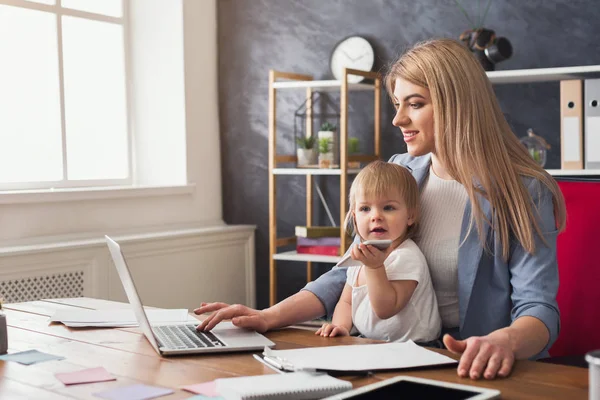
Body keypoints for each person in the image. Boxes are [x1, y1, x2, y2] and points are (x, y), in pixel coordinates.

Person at [195, 38, 566, 380]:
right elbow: (350, 269)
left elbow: (538, 309)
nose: (398, 119)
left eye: (415, 104)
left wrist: (506, 342)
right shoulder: (402, 172)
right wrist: (268, 316)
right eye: (397, 104)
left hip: (471, 366)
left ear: (458, 105)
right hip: (389, 356)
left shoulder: (522, 190)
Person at [315, 160, 442, 343]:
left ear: (410, 216)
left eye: (388, 208)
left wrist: (374, 268)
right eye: (365, 209)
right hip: (373, 342)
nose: (376, 216)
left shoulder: (406, 256)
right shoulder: (360, 255)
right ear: (354, 217)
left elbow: (386, 309)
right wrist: (341, 326)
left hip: (416, 347)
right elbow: (347, 301)